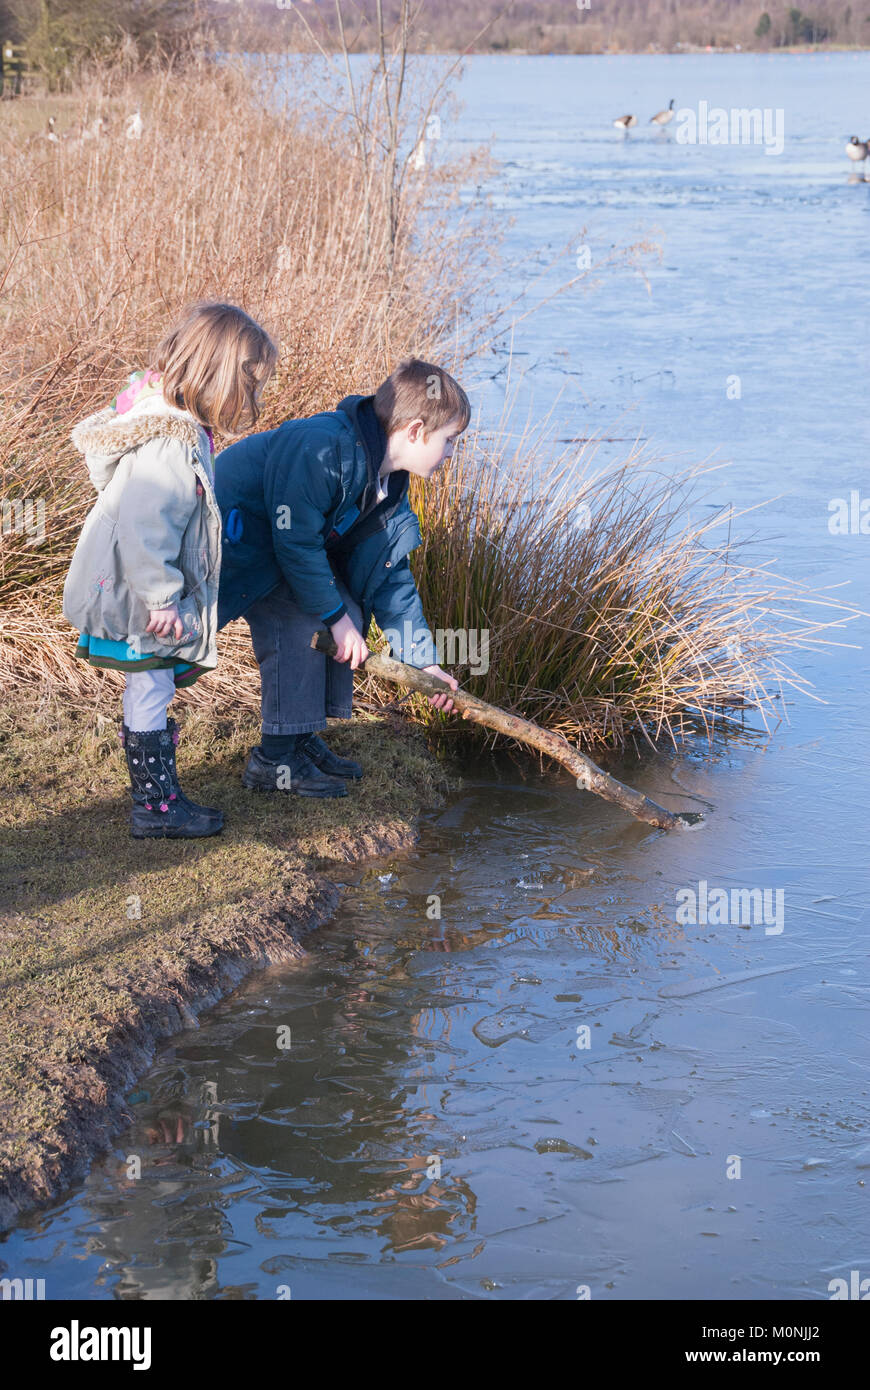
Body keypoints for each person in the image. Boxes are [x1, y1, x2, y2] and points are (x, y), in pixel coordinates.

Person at [62, 301, 278, 838]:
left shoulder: (177, 426)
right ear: (218, 376)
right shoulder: (167, 441)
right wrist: (162, 599)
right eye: (248, 384)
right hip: (139, 594)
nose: (251, 397)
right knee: (153, 685)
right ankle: (156, 809)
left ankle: (157, 799)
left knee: (151, 685)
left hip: (135, 586)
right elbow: (147, 526)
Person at [215, 357, 469, 798]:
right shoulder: (325, 448)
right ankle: (274, 761)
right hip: (238, 542)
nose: (450, 454)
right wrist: (333, 617)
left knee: (348, 608)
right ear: (414, 431)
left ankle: (299, 738)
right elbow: (293, 542)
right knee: (301, 623)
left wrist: (425, 665)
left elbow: (392, 581)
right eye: (449, 441)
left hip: (281, 553)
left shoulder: (387, 487)